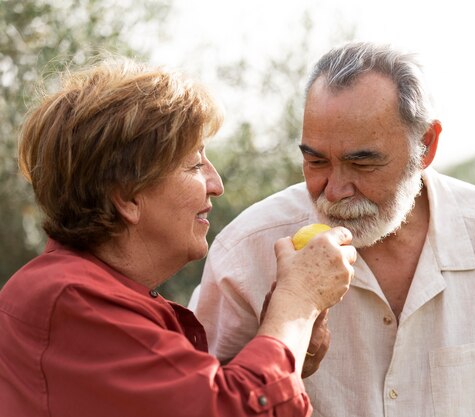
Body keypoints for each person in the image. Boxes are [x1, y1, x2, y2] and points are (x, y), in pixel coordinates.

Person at [190, 41, 475, 417]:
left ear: (426, 145)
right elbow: (201, 404)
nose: (333, 191)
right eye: (316, 161)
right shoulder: (245, 251)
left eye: (362, 163)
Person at [0, 58, 357, 417]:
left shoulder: (81, 295)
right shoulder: (74, 302)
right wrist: (296, 304)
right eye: (195, 164)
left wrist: (288, 350)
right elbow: (227, 409)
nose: (216, 186)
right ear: (127, 196)